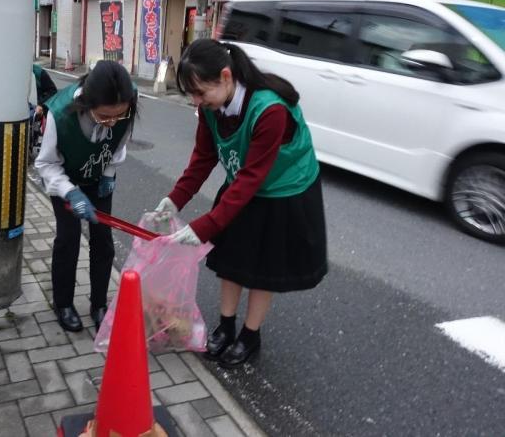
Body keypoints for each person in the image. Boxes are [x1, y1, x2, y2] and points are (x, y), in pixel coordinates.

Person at [154, 38, 327, 368]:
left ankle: (250, 335)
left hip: (284, 191)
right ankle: (226, 324)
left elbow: (252, 178)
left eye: (200, 92)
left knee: (263, 269)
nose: (196, 101)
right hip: (243, 187)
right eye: (191, 94)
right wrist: (174, 201)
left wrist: (202, 228)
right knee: (231, 260)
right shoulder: (211, 107)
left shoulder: (270, 109)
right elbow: (203, 158)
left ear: (226, 76)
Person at [35, 61, 137, 333]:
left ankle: (99, 304)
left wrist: (109, 174)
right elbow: (45, 164)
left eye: (118, 116)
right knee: (68, 239)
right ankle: (63, 304)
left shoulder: (126, 101)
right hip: (65, 180)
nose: (112, 122)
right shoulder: (60, 114)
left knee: (103, 241)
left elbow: (119, 143)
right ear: (87, 104)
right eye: (104, 117)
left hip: (99, 177)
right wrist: (71, 192)